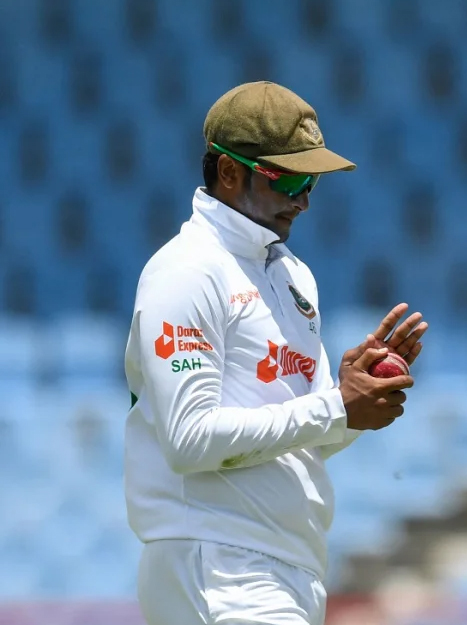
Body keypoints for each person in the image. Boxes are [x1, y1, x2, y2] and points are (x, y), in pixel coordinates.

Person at [124, 81, 429, 625]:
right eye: (288, 178)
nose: (304, 199)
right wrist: (335, 406)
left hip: (286, 569)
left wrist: (353, 402)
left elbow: (305, 439)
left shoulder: (293, 277)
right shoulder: (188, 271)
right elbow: (189, 440)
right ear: (228, 172)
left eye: (312, 180)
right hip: (219, 565)